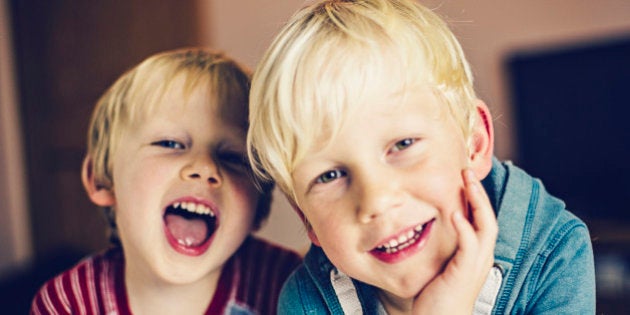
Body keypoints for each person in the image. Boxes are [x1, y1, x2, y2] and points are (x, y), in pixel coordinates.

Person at [246, 0, 595, 313]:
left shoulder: (553, 255)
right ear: (308, 221)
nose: (377, 201)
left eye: (402, 144)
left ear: (473, 143)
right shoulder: (307, 301)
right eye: (330, 175)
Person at [30, 48, 302, 314]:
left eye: (232, 157)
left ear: (259, 206)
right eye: (171, 143)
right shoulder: (67, 303)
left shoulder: (290, 287)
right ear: (102, 178)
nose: (205, 167)